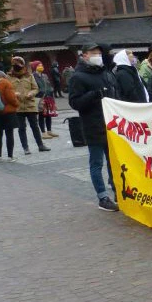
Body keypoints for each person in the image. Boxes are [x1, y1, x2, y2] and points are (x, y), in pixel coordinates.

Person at [68, 42, 120, 212]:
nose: (97, 55)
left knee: (114, 161)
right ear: (84, 56)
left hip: (111, 125)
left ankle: (118, 192)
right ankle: (102, 197)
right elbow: (75, 102)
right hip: (93, 125)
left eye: (98, 52)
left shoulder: (104, 72)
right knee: (96, 163)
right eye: (93, 53)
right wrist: (93, 95)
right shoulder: (78, 77)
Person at [8, 56, 50, 154]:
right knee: (21, 128)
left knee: (35, 126)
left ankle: (41, 145)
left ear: (22, 65)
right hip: (17, 106)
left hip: (30, 105)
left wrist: (32, 93)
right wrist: (14, 93)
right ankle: (25, 148)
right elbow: (8, 90)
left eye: (18, 65)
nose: (17, 67)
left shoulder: (29, 75)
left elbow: (36, 88)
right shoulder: (9, 76)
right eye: (15, 65)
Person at [0, 62, 19, 162]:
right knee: (9, 133)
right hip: (8, 112)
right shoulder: (5, 82)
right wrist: (17, 103)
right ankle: (10, 156)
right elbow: (11, 98)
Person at [31, 61, 57, 140]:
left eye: (41, 65)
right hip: (39, 98)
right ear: (35, 67)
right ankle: (43, 132)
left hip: (48, 97)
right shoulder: (33, 76)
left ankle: (49, 131)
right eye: (39, 65)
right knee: (41, 115)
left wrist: (51, 94)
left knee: (49, 114)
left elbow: (49, 85)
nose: (41, 66)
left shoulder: (45, 75)